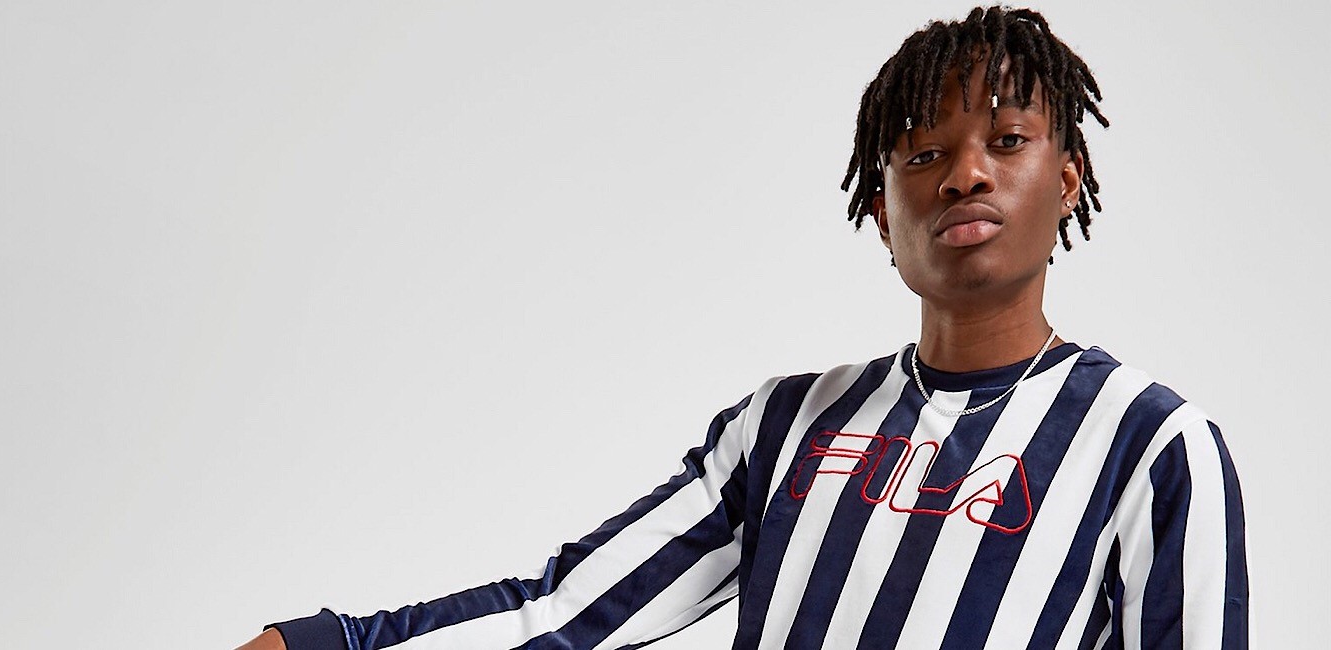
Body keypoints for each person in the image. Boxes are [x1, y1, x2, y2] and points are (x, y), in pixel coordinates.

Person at [236, 5, 1249, 649]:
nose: (964, 174)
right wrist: (331, 642)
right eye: (922, 154)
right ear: (879, 212)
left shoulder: (1153, 444)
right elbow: (570, 611)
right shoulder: (786, 426)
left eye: (1007, 139)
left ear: (1066, 179)